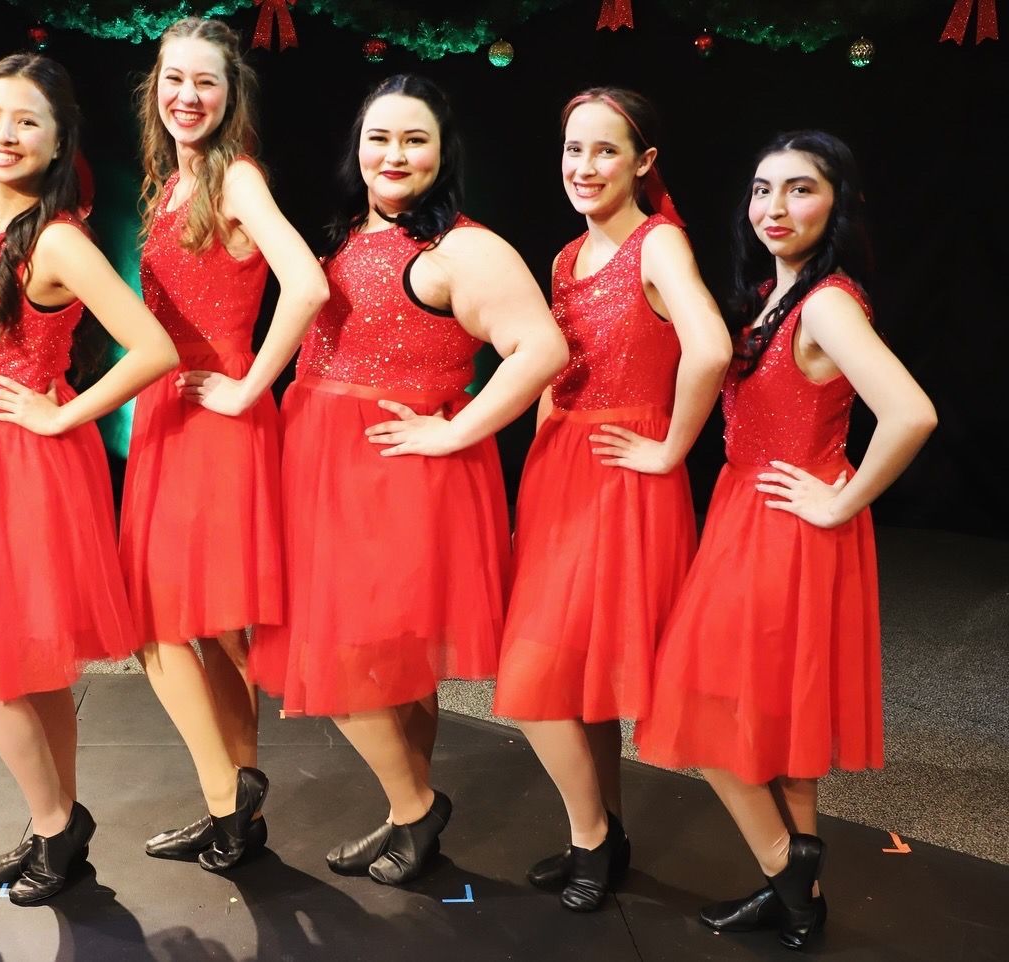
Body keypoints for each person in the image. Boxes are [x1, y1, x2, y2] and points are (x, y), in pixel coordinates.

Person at [248, 74, 568, 886]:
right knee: (391, 665)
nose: (393, 154)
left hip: (389, 475)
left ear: (443, 152)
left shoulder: (460, 247)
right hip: (328, 469)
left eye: (413, 139)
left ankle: (417, 809)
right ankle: (405, 816)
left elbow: (541, 350)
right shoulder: (352, 231)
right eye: (378, 138)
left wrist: (457, 428)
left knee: (348, 657)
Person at [635, 130, 936, 950]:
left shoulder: (827, 301)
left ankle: (784, 862)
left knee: (702, 701)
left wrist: (840, 503)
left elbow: (910, 413)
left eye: (800, 189)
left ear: (838, 202)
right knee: (777, 721)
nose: (775, 207)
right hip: (752, 511)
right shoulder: (781, 293)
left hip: (784, 524)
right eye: (763, 189)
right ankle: (798, 897)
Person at [0, 54, 178, 906]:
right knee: (27, 666)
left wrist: (63, 416)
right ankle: (52, 826)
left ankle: (57, 825)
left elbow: (153, 347)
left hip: (24, 462)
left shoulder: (57, 236)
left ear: (60, 136)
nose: (4, 134)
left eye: (26, 120)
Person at [492, 87, 732, 912]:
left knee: (530, 676)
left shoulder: (659, 245)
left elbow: (711, 347)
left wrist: (669, 448)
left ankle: (594, 837)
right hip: (563, 473)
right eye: (572, 150)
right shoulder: (565, 258)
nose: (584, 167)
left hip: (623, 476)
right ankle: (599, 834)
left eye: (604, 150)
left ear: (644, 162)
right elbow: (552, 375)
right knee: (573, 679)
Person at [121, 17, 329, 872]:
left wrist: (250, 386)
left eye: (205, 82)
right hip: (173, 418)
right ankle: (235, 810)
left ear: (230, 93)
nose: (186, 96)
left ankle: (224, 794)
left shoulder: (235, 178)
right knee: (211, 633)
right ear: (155, 89)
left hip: (215, 419)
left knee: (161, 622)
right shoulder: (172, 184)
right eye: (174, 79)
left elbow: (308, 283)